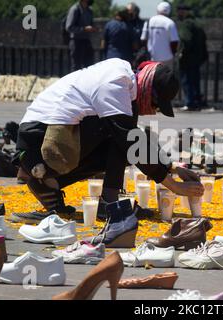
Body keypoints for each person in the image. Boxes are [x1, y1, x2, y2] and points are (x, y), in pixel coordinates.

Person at [11, 58, 204, 225]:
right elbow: (130, 140)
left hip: (39, 143)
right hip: (39, 143)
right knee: (120, 136)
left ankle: (51, 183)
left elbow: (133, 139)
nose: (153, 110)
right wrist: (175, 186)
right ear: (148, 88)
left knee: (124, 135)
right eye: (156, 104)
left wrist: (172, 167)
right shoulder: (116, 81)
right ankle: (109, 203)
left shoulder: (121, 75)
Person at [176, 4, 208, 111]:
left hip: (187, 58)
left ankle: (189, 102)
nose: (178, 13)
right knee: (195, 81)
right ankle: (196, 101)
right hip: (197, 58)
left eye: (180, 10)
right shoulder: (198, 23)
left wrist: (181, 53)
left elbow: (186, 40)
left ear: (185, 12)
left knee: (186, 80)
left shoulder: (186, 24)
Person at [66, 0, 97, 72]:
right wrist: (84, 29)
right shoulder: (75, 9)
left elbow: (91, 24)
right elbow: (69, 27)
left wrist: (93, 29)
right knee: (76, 67)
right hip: (76, 41)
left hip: (86, 41)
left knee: (89, 66)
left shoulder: (89, 10)